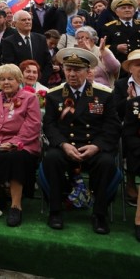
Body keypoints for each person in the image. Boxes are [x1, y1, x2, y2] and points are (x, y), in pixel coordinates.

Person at [41, 48, 121, 234]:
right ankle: (55, 211)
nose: (72, 74)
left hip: (93, 146)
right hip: (65, 147)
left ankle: (99, 214)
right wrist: (63, 144)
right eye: (68, 69)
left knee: (107, 162)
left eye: (77, 70)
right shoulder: (54, 94)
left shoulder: (104, 94)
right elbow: (50, 126)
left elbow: (112, 126)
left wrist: (97, 146)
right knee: (52, 159)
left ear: (87, 71)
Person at [0, 64, 42, 227]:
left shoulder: (30, 98)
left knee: (15, 159)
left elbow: (33, 126)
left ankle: (15, 206)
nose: (6, 82)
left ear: (19, 80)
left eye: (10, 79)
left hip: (22, 145)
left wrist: (14, 143)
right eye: (2, 79)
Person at [114, 50, 140, 241]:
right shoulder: (121, 84)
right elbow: (115, 110)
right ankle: (130, 181)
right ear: (130, 67)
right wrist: (129, 101)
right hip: (127, 128)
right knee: (131, 142)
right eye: (137, 64)